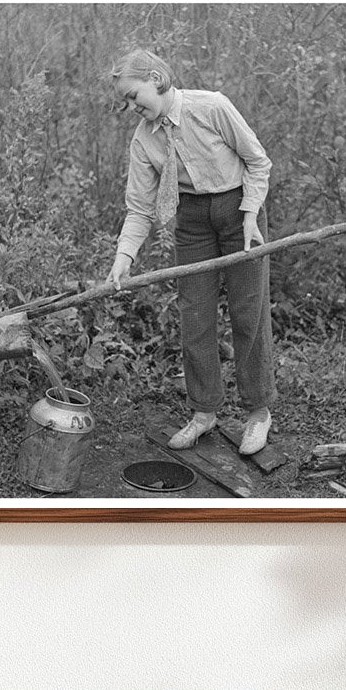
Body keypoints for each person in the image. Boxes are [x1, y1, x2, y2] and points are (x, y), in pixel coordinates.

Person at [106, 49, 275, 455]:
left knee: (248, 313)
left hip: (240, 212)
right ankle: (204, 412)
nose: (131, 107)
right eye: (124, 103)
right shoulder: (143, 140)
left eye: (133, 96)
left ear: (157, 79)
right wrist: (123, 258)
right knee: (194, 315)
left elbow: (258, 162)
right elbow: (140, 208)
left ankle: (258, 413)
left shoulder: (211, 106)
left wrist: (250, 214)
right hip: (193, 220)